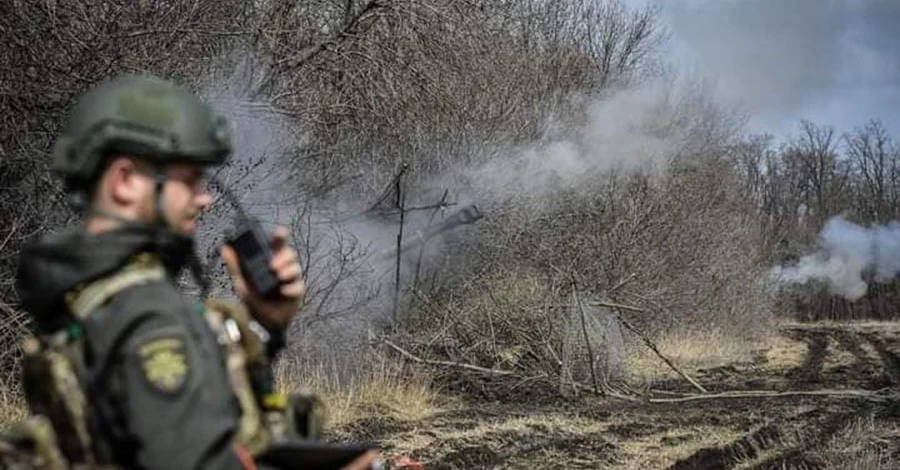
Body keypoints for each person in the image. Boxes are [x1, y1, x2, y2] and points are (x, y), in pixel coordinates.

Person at [14, 74, 378, 470]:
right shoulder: (151, 317)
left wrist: (265, 327)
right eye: (190, 180)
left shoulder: (81, 297)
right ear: (125, 181)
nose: (204, 198)